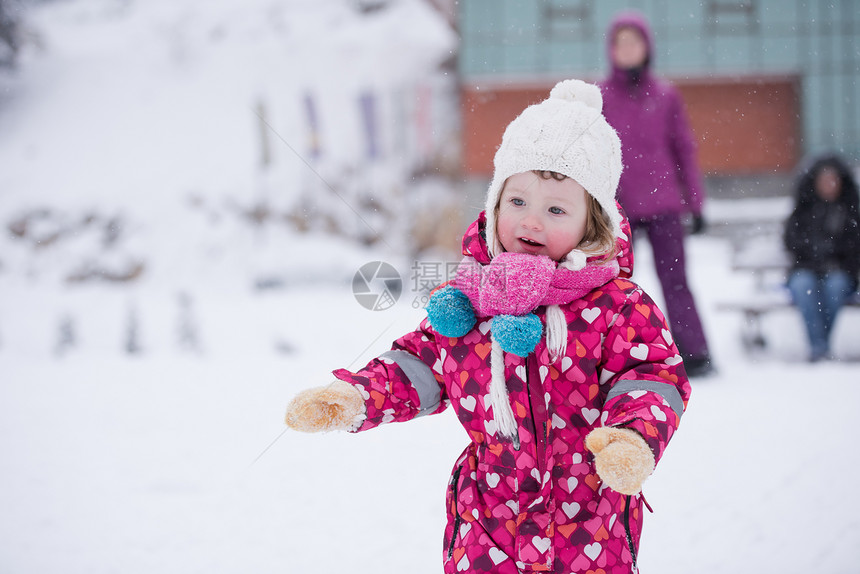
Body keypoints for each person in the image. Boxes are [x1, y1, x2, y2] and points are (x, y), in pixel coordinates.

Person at [284, 80, 691, 574]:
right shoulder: (473, 302)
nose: (531, 221)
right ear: (495, 204)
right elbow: (419, 365)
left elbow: (651, 377)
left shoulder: (618, 306)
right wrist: (356, 397)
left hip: (590, 520)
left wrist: (631, 437)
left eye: (556, 209)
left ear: (593, 223)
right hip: (487, 520)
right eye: (517, 201)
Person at [599, 10, 714, 377]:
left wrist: (695, 203)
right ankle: (616, 356)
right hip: (619, 208)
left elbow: (684, 149)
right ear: (611, 49)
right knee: (614, 286)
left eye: (634, 42)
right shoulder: (599, 96)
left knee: (676, 280)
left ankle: (694, 353)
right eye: (621, 43)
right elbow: (591, 152)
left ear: (647, 47)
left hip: (664, 204)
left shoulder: (666, 96)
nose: (628, 49)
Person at [784, 154, 860, 362]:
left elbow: (854, 248)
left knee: (835, 287)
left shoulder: (850, 212)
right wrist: (814, 256)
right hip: (805, 270)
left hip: (840, 272)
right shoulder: (804, 211)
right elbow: (791, 242)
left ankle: (821, 345)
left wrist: (836, 259)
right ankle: (819, 346)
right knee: (802, 286)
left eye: (833, 179)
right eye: (824, 180)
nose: (829, 185)